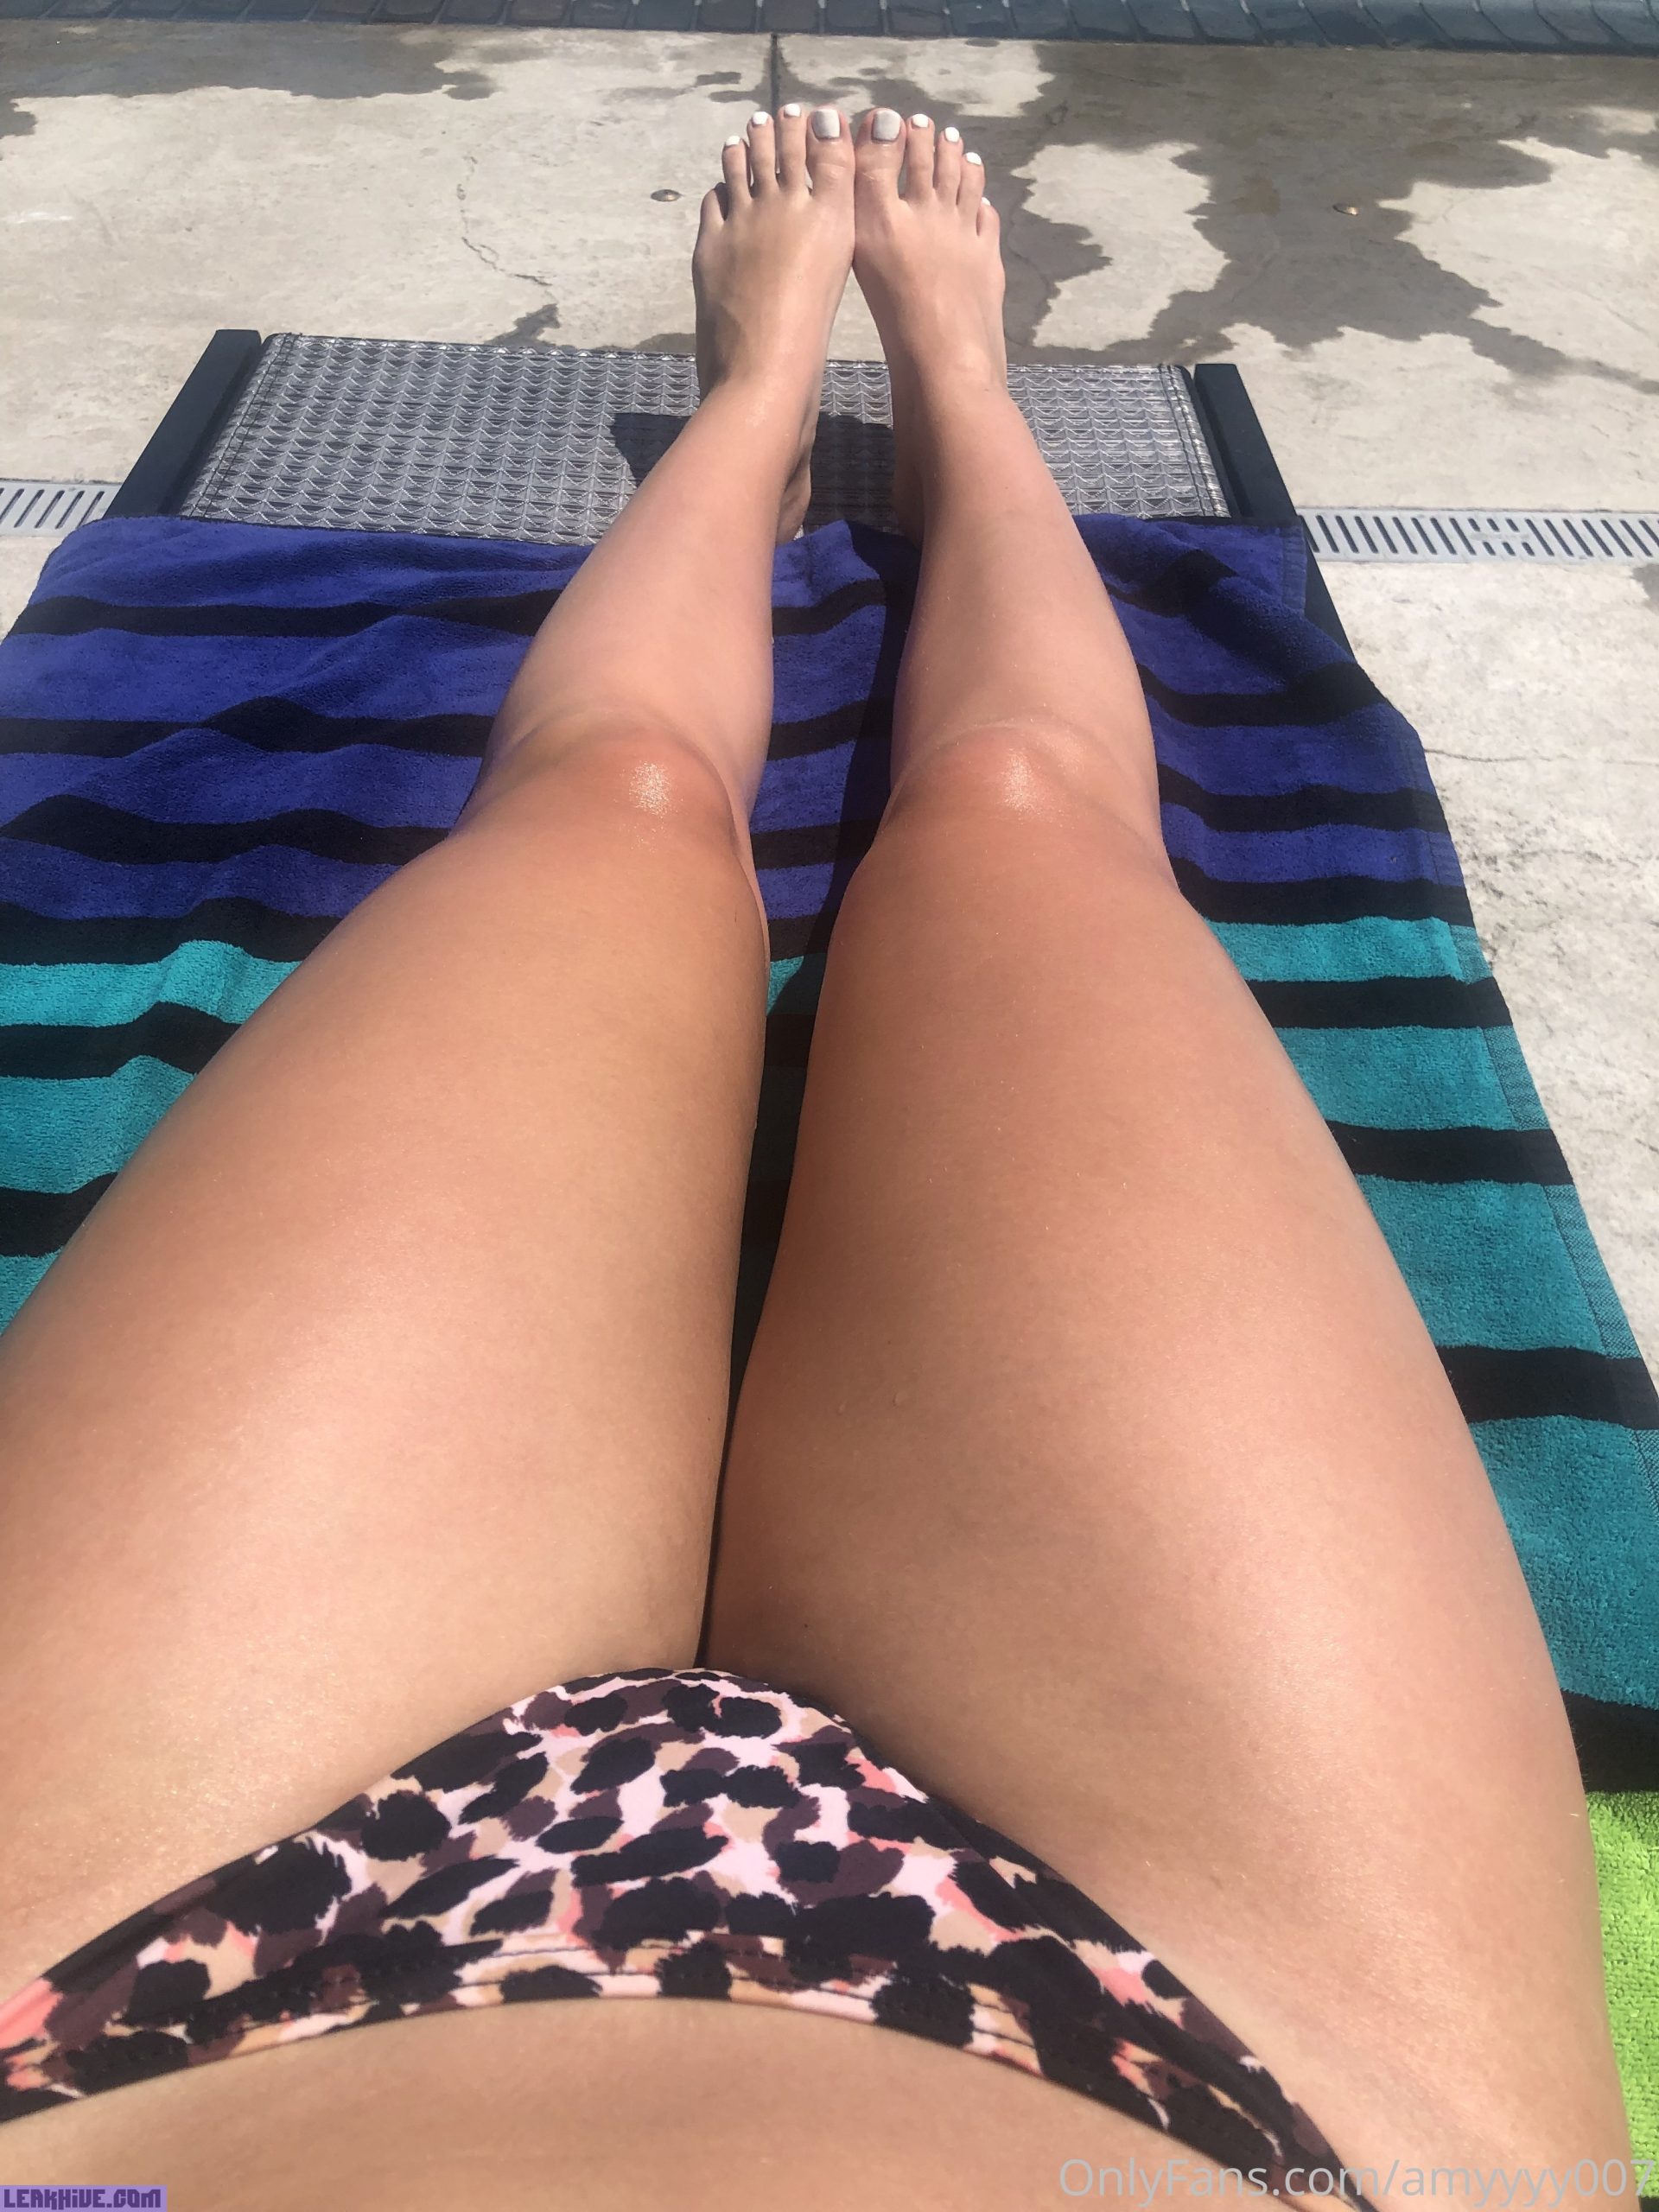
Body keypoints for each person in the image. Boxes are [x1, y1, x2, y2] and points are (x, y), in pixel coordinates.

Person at [0, 103, 1631, 2209]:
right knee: (1019, 804)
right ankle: (823, 398)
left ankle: (895, 398)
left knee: (620, 794)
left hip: (101, 2033)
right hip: (1256, 2091)